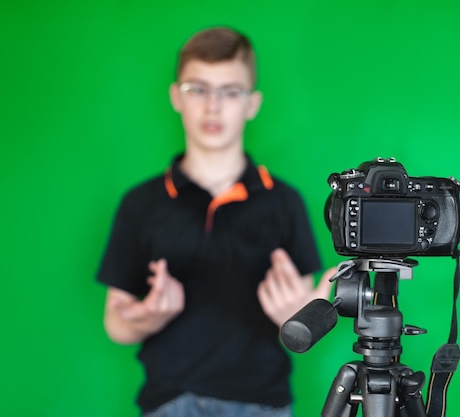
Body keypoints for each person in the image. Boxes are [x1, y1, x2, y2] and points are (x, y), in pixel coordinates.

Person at [96, 26, 336, 417]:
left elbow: (301, 313)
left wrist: (293, 318)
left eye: (230, 91)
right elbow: (115, 321)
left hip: (263, 403)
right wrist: (146, 318)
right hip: (169, 402)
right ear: (176, 96)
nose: (213, 106)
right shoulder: (140, 203)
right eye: (198, 89)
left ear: (252, 103)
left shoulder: (285, 202)